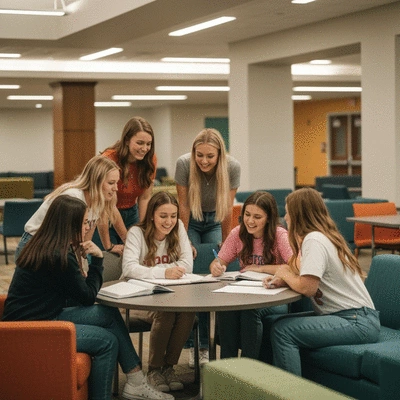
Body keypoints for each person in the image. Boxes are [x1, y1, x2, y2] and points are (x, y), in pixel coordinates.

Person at [2, 195, 172, 400]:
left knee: (107, 313)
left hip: (36, 319)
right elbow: (87, 297)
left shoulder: (44, 244)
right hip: (35, 329)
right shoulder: (61, 255)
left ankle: (136, 381)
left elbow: (78, 294)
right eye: (83, 223)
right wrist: (98, 259)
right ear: (69, 224)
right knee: (108, 341)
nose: (87, 227)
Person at [263, 187, 380, 376]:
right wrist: (286, 281)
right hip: (355, 317)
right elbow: (313, 279)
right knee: (275, 323)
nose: (285, 217)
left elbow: (308, 288)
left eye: (288, 212)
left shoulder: (314, 240)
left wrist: (284, 273)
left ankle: (288, 395)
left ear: (299, 215)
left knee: (282, 331)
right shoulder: (322, 237)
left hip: (356, 321)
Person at [175, 127, 241, 367]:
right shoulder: (184, 164)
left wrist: (227, 242)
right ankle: (196, 346)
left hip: (215, 219)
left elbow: (227, 207)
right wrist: (184, 240)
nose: (203, 161)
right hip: (190, 218)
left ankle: (207, 344)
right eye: (199, 155)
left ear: (219, 155)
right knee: (191, 278)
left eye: (209, 156)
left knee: (210, 277)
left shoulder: (232, 167)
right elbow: (182, 205)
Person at [121, 191, 195, 393]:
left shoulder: (178, 227)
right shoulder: (137, 233)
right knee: (167, 311)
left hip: (169, 294)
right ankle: (154, 370)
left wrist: (163, 272)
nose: (169, 221)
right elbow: (129, 268)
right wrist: (165, 272)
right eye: (163, 216)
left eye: (173, 216)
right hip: (138, 299)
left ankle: (168, 368)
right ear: (152, 214)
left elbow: (188, 265)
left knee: (188, 311)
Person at [209, 191, 293, 360]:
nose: (250, 221)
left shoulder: (280, 235)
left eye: (257, 217)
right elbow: (219, 261)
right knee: (227, 309)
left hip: (276, 296)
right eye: (247, 215)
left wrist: (261, 269)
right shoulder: (238, 233)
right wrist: (216, 267)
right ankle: (228, 368)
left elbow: (294, 267)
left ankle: (248, 368)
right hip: (245, 292)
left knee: (250, 311)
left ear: (269, 218)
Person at [16, 155, 126, 259]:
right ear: (95, 181)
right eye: (111, 183)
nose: (116, 188)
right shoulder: (73, 197)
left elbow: (84, 242)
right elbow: (61, 239)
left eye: (116, 183)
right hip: (36, 244)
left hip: (58, 247)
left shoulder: (99, 200)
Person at [97, 116, 157, 250]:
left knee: (137, 253)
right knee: (111, 257)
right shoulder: (109, 159)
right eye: (140, 143)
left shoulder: (150, 160)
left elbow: (144, 198)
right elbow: (107, 205)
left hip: (131, 211)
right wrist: (124, 240)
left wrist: (144, 229)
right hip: (106, 213)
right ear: (127, 140)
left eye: (148, 144)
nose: (145, 148)